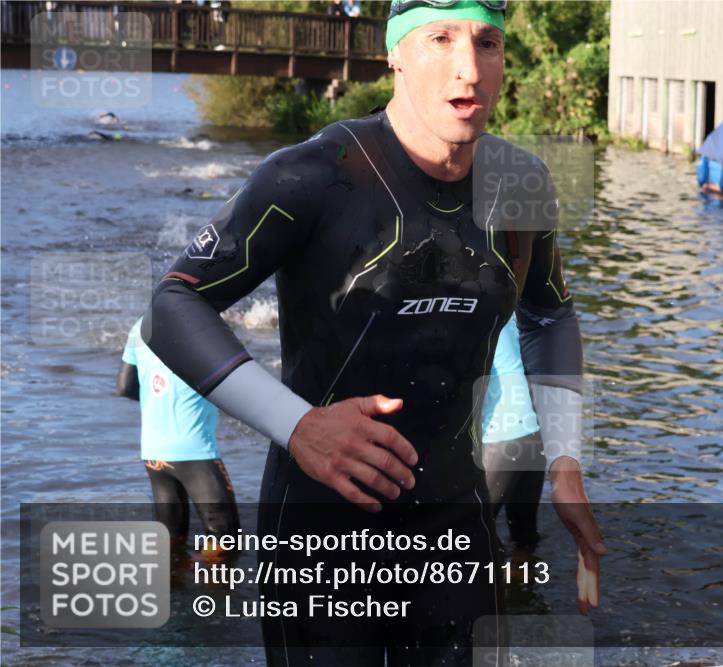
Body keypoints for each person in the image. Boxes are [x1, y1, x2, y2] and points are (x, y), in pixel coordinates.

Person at [144, 0, 605, 663]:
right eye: (440, 38)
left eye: (488, 43)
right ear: (394, 53)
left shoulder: (522, 181)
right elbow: (173, 303)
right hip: (320, 533)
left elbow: (549, 312)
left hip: (454, 523)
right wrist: (299, 426)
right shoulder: (314, 174)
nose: (469, 69)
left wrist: (564, 463)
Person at [116, 318, 239, 564]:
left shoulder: (140, 326)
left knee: (171, 542)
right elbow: (235, 382)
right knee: (226, 544)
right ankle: (207, 585)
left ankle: (174, 583)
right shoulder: (204, 322)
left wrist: (158, 399)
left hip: (153, 452)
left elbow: (125, 386)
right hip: (195, 453)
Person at [482, 317, 544, 551]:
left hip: (502, 436)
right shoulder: (510, 307)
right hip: (532, 430)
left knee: (468, 532)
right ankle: (523, 573)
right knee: (524, 536)